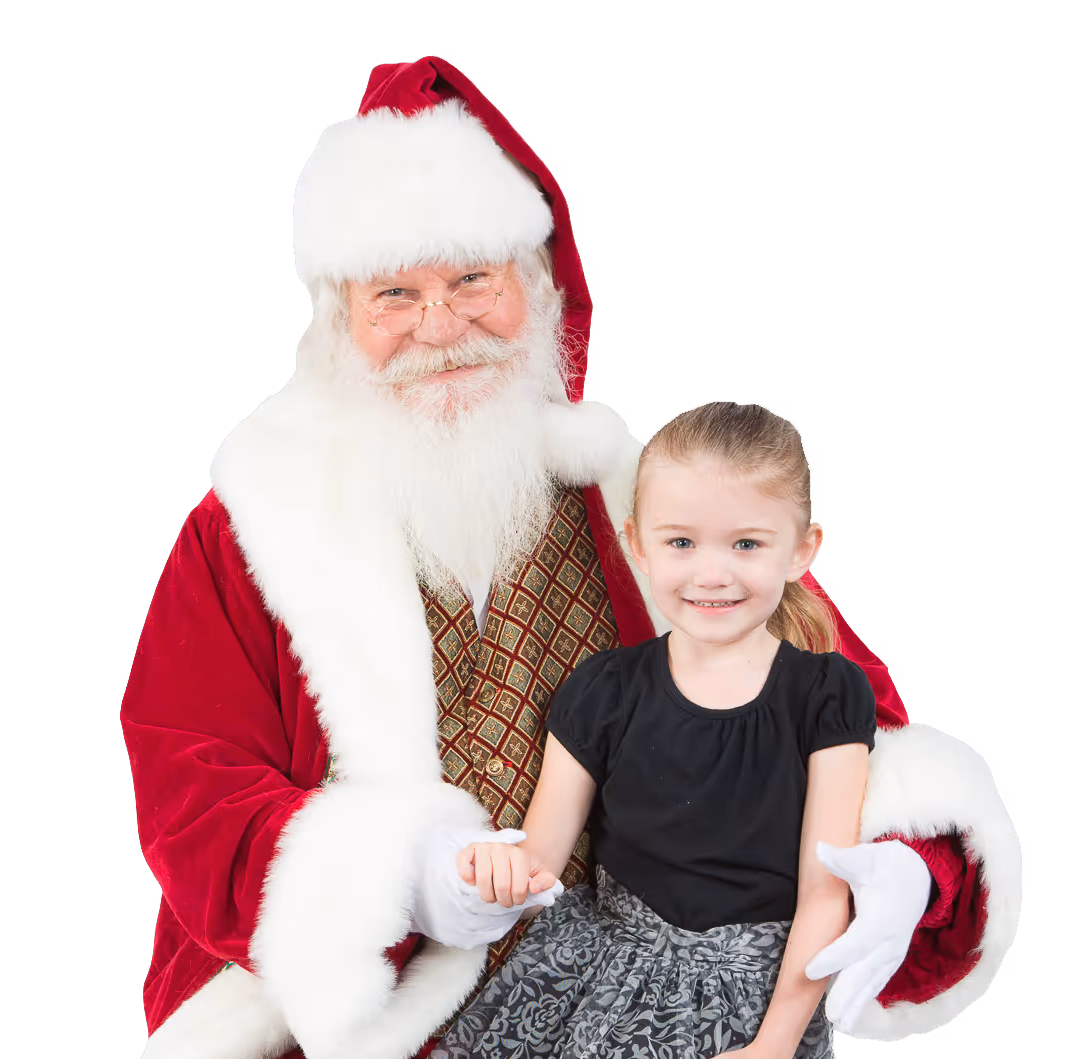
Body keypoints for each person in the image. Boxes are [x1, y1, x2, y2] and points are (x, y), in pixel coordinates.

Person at [123, 57, 1020, 1059]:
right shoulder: (254, 523)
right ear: (341, 321)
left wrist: (901, 864)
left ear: (538, 287)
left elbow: (844, 704)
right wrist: (404, 880)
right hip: (363, 1022)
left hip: (652, 1003)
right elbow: (190, 781)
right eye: (395, 294)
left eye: (473, 279)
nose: (440, 326)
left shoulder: (647, 501)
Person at [436, 401, 874, 1059]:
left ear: (800, 549)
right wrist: (492, 862)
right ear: (638, 543)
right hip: (601, 970)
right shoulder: (602, 687)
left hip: (757, 994)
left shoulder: (826, 693)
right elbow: (538, 860)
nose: (711, 573)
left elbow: (824, 892)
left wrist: (773, 1043)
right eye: (681, 542)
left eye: (746, 543)